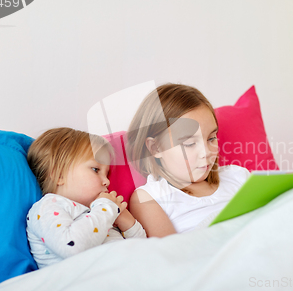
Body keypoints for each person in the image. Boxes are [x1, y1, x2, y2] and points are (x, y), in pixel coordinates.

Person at [127, 84, 250, 237]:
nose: (206, 153)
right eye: (189, 144)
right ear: (155, 148)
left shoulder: (238, 177)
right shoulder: (151, 197)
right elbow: (174, 253)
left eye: (211, 138)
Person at [26, 128, 146, 269]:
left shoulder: (98, 211)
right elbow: (72, 247)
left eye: (107, 174)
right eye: (96, 170)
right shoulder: (47, 207)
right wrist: (106, 208)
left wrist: (127, 222)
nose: (107, 181)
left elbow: (143, 249)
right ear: (59, 176)